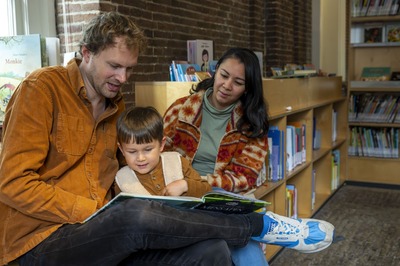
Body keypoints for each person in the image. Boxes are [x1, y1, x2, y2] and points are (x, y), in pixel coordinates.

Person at [0, 12, 334, 266]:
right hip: (41, 239)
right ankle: (258, 225)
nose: (123, 78)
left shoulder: (116, 107)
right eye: (115, 66)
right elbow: (12, 183)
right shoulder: (41, 90)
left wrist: (176, 187)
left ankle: (249, 224)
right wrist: (98, 210)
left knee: (211, 251)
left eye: (130, 69)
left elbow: (133, 167)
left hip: (105, 230)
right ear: (85, 53)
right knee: (134, 215)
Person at [162, 47, 320, 265]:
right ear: (215, 72)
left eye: (238, 82)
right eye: (224, 76)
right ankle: (264, 226)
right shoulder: (181, 109)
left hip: (224, 195)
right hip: (182, 196)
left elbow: (245, 177)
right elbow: (160, 154)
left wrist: (199, 183)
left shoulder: (251, 123)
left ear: (247, 89)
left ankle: (261, 225)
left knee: (250, 258)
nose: (227, 86)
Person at [115, 106, 212, 198]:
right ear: (122, 150)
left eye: (148, 150)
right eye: (132, 152)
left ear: (161, 145)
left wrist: (185, 185)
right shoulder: (122, 179)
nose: (141, 158)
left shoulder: (177, 162)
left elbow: (207, 189)